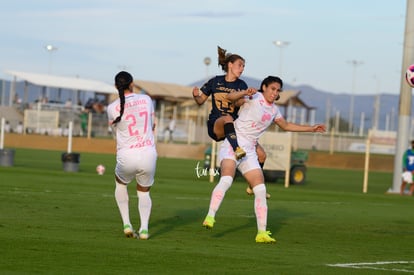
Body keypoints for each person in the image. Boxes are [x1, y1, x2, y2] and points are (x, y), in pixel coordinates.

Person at [202, 76, 326, 243]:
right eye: (272, 89)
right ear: (264, 87)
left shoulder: (274, 110)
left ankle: (261, 233)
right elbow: (230, 98)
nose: (275, 93)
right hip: (233, 144)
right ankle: (210, 216)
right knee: (226, 180)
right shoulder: (254, 97)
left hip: (250, 151)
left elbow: (286, 126)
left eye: (278, 90)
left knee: (260, 190)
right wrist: (245, 92)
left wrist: (311, 128)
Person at [107, 71, 157, 240]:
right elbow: (153, 124)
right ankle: (144, 229)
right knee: (144, 192)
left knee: (120, 184)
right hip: (148, 154)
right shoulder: (147, 100)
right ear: (132, 83)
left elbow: (116, 129)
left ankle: (127, 224)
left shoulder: (112, 108)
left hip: (127, 154)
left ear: (116, 87)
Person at [192, 46, 259, 160]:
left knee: (261, 154)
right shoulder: (215, 81)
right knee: (227, 118)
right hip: (216, 125)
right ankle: (237, 149)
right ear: (230, 65)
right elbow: (200, 101)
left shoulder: (241, 85)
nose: (242, 69)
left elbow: (238, 103)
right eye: (240, 65)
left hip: (234, 128)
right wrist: (195, 96)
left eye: (243, 66)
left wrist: (247, 96)